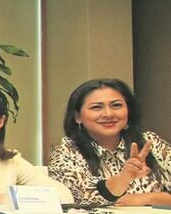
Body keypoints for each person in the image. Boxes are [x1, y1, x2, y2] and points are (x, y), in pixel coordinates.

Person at [48, 78, 171, 206]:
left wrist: (150, 198)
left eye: (116, 105)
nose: (108, 114)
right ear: (77, 117)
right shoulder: (65, 152)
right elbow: (81, 199)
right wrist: (123, 179)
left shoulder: (149, 142)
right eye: (96, 107)